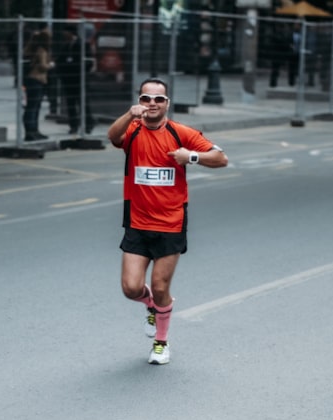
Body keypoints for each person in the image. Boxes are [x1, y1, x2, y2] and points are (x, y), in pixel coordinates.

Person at [106, 78, 228, 365]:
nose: (152, 104)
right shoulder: (132, 130)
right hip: (137, 221)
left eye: (158, 99)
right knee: (131, 288)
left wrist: (192, 156)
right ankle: (152, 307)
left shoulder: (180, 133)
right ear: (140, 101)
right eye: (146, 98)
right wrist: (128, 114)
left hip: (171, 222)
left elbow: (221, 158)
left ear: (167, 104)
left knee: (160, 287)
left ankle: (161, 342)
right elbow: (113, 137)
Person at [56, 27, 95, 135]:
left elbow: (89, 62)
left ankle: (88, 124)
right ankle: (73, 125)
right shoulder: (65, 46)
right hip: (68, 81)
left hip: (80, 80)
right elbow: (60, 61)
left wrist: (79, 70)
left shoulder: (83, 45)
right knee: (71, 104)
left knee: (83, 103)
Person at [22, 30, 54, 141]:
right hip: (36, 79)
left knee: (34, 106)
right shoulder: (42, 50)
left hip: (33, 79)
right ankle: (31, 131)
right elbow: (42, 66)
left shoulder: (33, 48)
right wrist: (51, 65)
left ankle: (33, 130)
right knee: (33, 107)